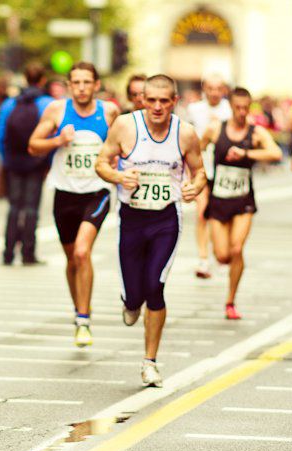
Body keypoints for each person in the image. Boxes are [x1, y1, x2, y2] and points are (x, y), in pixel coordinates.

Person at [95, 74, 207, 387]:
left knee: (155, 286)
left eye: (164, 101)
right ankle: (131, 302)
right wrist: (118, 178)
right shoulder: (125, 126)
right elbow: (102, 163)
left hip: (166, 220)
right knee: (135, 295)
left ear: (174, 102)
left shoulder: (185, 133)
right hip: (132, 217)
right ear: (143, 99)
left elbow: (200, 173)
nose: (157, 107)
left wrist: (192, 188)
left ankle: (150, 362)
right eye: (151, 100)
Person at [28, 62, 119, 347]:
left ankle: (83, 317)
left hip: (97, 190)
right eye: (76, 82)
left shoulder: (109, 112)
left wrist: (116, 160)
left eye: (86, 82)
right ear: (70, 85)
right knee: (71, 259)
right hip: (65, 192)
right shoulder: (57, 110)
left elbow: (121, 145)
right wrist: (57, 140)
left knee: (82, 252)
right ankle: (79, 307)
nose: (81, 87)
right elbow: (33, 145)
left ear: (96, 85)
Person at [199, 87, 283, 319]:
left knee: (237, 249)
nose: (241, 112)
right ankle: (224, 269)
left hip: (243, 200)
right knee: (223, 255)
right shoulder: (216, 128)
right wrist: (198, 180)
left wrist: (247, 154)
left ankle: (230, 301)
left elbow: (276, 154)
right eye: (237, 107)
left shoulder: (256, 133)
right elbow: (196, 150)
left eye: (246, 108)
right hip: (218, 199)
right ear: (230, 106)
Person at [0, 63, 53, 265]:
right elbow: (52, 135)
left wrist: (7, 158)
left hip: (13, 162)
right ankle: (29, 253)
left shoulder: (10, 104)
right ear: (42, 80)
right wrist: (47, 162)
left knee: (14, 207)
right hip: (36, 163)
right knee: (31, 208)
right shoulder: (47, 104)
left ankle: (8, 253)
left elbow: (0, 135)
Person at [186, 74, 231, 279]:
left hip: (224, 169)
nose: (213, 92)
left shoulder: (229, 110)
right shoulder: (194, 109)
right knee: (202, 212)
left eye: (218, 88)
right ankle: (203, 258)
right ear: (204, 89)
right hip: (201, 166)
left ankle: (220, 253)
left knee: (221, 214)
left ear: (223, 90)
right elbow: (188, 137)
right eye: (210, 88)